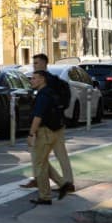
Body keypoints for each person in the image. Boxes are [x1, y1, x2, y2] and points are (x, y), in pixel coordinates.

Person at [25, 53, 75, 195]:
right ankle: (65, 182)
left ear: (44, 64)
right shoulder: (49, 80)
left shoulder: (49, 81)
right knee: (55, 155)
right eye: (33, 63)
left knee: (42, 156)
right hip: (57, 124)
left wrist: (32, 132)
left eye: (36, 63)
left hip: (48, 126)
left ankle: (63, 182)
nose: (34, 65)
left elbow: (41, 110)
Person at [25, 69, 66, 205]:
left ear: (42, 79)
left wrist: (31, 134)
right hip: (54, 131)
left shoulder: (43, 96)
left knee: (39, 164)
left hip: (44, 132)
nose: (31, 80)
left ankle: (45, 196)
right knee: (43, 162)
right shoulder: (50, 93)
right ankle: (62, 183)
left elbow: (38, 116)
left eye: (34, 78)